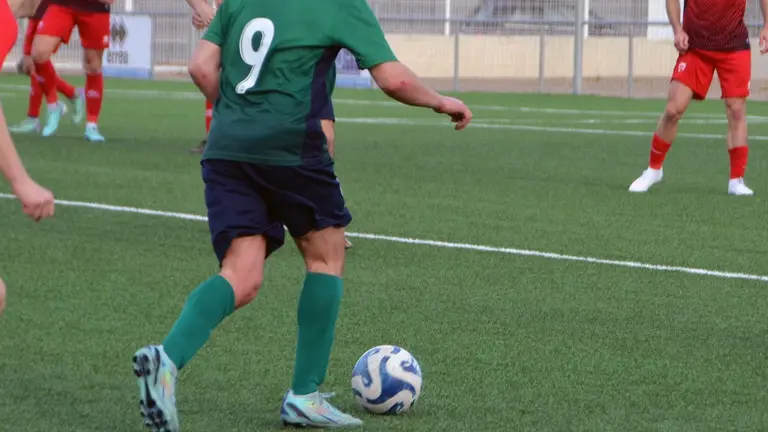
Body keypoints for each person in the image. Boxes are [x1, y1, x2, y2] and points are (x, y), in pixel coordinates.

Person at [131, 0, 471, 430]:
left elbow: (200, 67)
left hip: (227, 147)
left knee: (242, 274)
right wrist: (442, 102)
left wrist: (242, 113)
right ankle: (304, 396)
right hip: (289, 146)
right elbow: (394, 78)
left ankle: (166, 360)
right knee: (326, 257)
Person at [190, 3, 354, 248]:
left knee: (324, 132)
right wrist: (205, 9)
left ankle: (324, 212)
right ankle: (283, 210)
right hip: (261, 48)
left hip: (298, 46)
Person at [629, 0, 768, 195]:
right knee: (673, 110)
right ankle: (654, 169)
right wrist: (677, 30)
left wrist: (767, 24)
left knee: (736, 111)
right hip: (695, 47)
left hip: (734, 46)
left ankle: (736, 180)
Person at [31, 0, 113, 141]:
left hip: (95, 8)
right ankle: (53, 105)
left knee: (93, 63)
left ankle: (91, 125)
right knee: (39, 53)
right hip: (62, 4)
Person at [11, 0, 86, 134]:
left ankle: (35, 117)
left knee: (35, 64)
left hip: (52, 11)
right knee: (31, 67)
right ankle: (72, 94)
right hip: (36, 17)